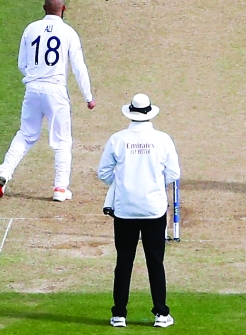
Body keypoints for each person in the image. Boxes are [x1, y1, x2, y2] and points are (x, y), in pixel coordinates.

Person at [0, 0, 95, 202]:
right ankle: (60, 188)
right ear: (63, 8)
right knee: (62, 140)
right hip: (56, 91)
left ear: (44, 7)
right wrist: (88, 96)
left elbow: (22, 64)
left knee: (25, 135)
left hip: (32, 89)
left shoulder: (31, 29)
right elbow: (78, 67)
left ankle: (4, 173)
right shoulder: (68, 32)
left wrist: (34, 78)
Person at [98, 93, 180, 329]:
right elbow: (173, 173)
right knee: (156, 262)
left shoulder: (118, 139)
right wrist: (154, 185)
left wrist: (122, 185)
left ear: (131, 113)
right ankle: (161, 314)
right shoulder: (162, 139)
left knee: (124, 261)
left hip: (125, 210)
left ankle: (119, 314)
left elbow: (104, 172)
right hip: (154, 209)